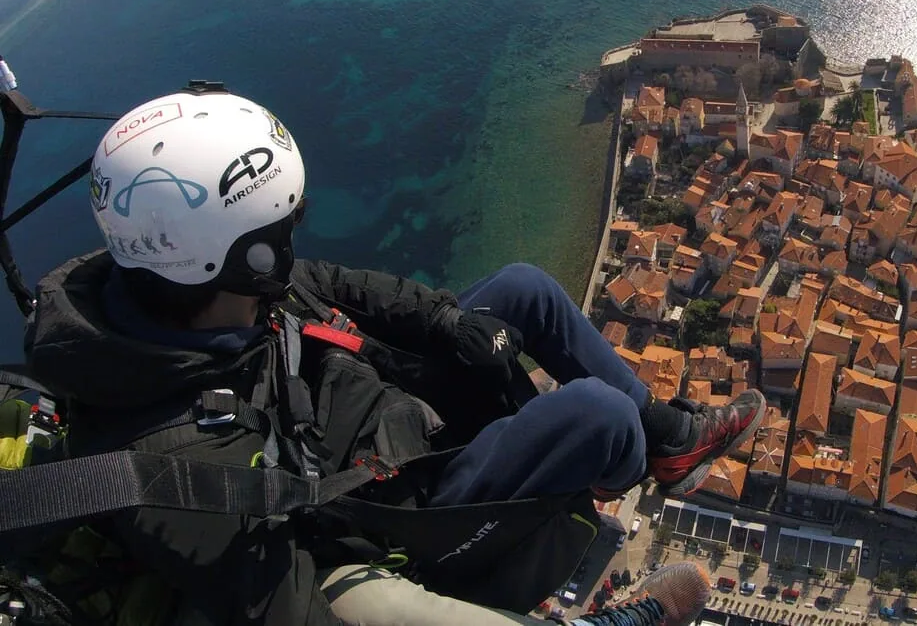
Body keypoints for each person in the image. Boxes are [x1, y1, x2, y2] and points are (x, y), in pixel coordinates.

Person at [19, 83, 764, 625]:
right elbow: (301, 601)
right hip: (399, 509)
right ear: (242, 257)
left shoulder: (188, 293)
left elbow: (344, 286)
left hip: (383, 411)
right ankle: (626, 460)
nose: (292, 243)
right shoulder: (169, 463)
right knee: (600, 419)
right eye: (281, 230)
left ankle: (671, 444)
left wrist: (447, 323)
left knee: (524, 290)